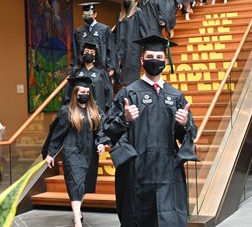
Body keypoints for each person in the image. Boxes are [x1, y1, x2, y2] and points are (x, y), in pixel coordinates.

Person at [96, 34, 198, 226]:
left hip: (168, 172)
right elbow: (107, 131)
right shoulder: (129, 93)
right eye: (150, 57)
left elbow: (188, 135)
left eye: (159, 58)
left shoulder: (175, 96)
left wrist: (185, 124)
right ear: (142, 60)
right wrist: (123, 119)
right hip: (137, 171)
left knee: (169, 220)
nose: (155, 61)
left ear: (165, 61)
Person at [45, 76, 107, 227]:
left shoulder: (95, 110)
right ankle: (77, 220)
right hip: (72, 150)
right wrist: (51, 153)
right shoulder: (67, 111)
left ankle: (78, 210)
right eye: (81, 92)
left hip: (90, 151)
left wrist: (101, 143)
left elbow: (100, 131)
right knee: (75, 183)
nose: (85, 94)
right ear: (75, 93)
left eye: (87, 91)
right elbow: (58, 134)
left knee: (84, 184)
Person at [63, 41, 112, 112]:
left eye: (92, 52)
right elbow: (68, 91)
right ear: (83, 54)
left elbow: (108, 92)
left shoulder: (101, 72)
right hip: (78, 110)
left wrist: (107, 110)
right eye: (87, 51)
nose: (89, 54)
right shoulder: (76, 71)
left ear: (95, 56)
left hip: (97, 110)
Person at [72, 2, 115, 78]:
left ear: (95, 15)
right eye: (84, 15)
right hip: (83, 68)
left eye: (89, 15)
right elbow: (75, 50)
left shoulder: (104, 29)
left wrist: (111, 67)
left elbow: (110, 48)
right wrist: (74, 66)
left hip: (101, 68)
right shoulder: (78, 31)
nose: (87, 17)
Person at [115, 0, 145, 86]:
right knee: (121, 74)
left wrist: (144, 48)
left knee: (132, 75)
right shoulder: (121, 14)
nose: (126, 1)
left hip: (133, 49)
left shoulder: (138, 12)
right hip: (121, 49)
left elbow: (143, 29)